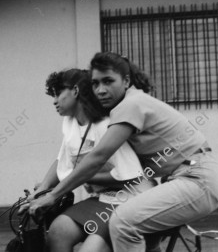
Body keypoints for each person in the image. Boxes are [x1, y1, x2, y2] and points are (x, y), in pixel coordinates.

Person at [29, 53, 218, 252]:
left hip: (197, 178)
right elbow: (69, 155)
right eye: (95, 84)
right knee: (122, 224)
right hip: (181, 178)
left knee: (122, 222)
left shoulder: (129, 106)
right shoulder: (120, 107)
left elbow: (98, 156)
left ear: (126, 81)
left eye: (108, 81)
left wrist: (53, 195)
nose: (101, 90)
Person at [24, 68, 154, 252]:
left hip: (129, 199)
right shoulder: (69, 123)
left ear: (75, 91)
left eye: (58, 93)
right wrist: (41, 192)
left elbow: (131, 176)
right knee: (58, 231)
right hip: (101, 199)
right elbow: (62, 161)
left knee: (90, 250)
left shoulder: (105, 124)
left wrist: (81, 176)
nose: (54, 101)